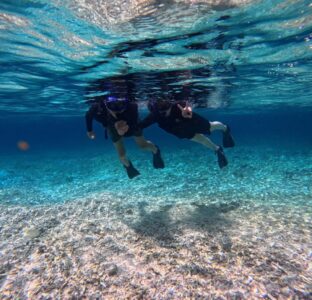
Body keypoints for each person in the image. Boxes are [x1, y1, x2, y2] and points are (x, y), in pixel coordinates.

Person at [139, 99, 235, 169]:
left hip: (191, 120)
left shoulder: (177, 106)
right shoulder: (154, 116)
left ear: (169, 105)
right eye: (160, 112)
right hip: (181, 130)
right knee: (200, 140)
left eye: (165, 110)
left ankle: (225, 128)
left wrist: (188, 110)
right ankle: (217, 149)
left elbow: (186, 105)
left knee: (211, 126)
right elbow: (141, 125)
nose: (164, 114)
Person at [86, 96, 164, 179]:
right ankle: (128, 167)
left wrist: (125, 131)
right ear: (106, 103)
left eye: (121, 105)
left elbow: (135, 125)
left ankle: (156, 151)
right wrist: (89, 130)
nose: (117, 110)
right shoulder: (97, 107)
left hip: (131, 123)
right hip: (111, 126)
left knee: (143, 145)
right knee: (122, 155)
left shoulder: (132, 107)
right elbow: (88, 116)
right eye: (112, 106)